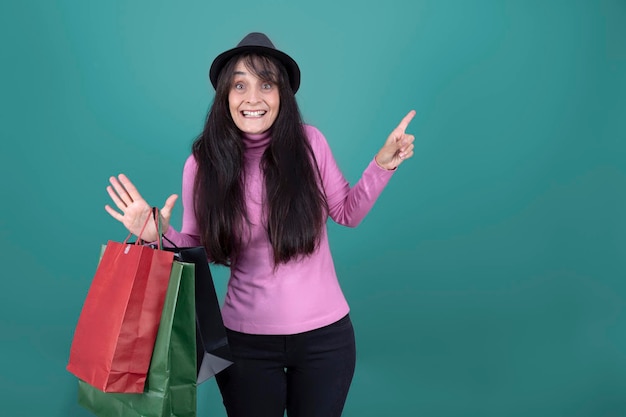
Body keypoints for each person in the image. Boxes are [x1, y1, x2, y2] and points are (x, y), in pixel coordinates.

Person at [104, 32, 415, 417]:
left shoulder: (310, 143)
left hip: (326, 341)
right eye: (240, 85)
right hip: (244, 344)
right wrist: (158, 235)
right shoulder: (202, 164)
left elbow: (347, 212)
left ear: (282, 94)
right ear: (225, 97)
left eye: (266, 84)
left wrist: (383, 164)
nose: (253, 98)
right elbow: (196, 244)